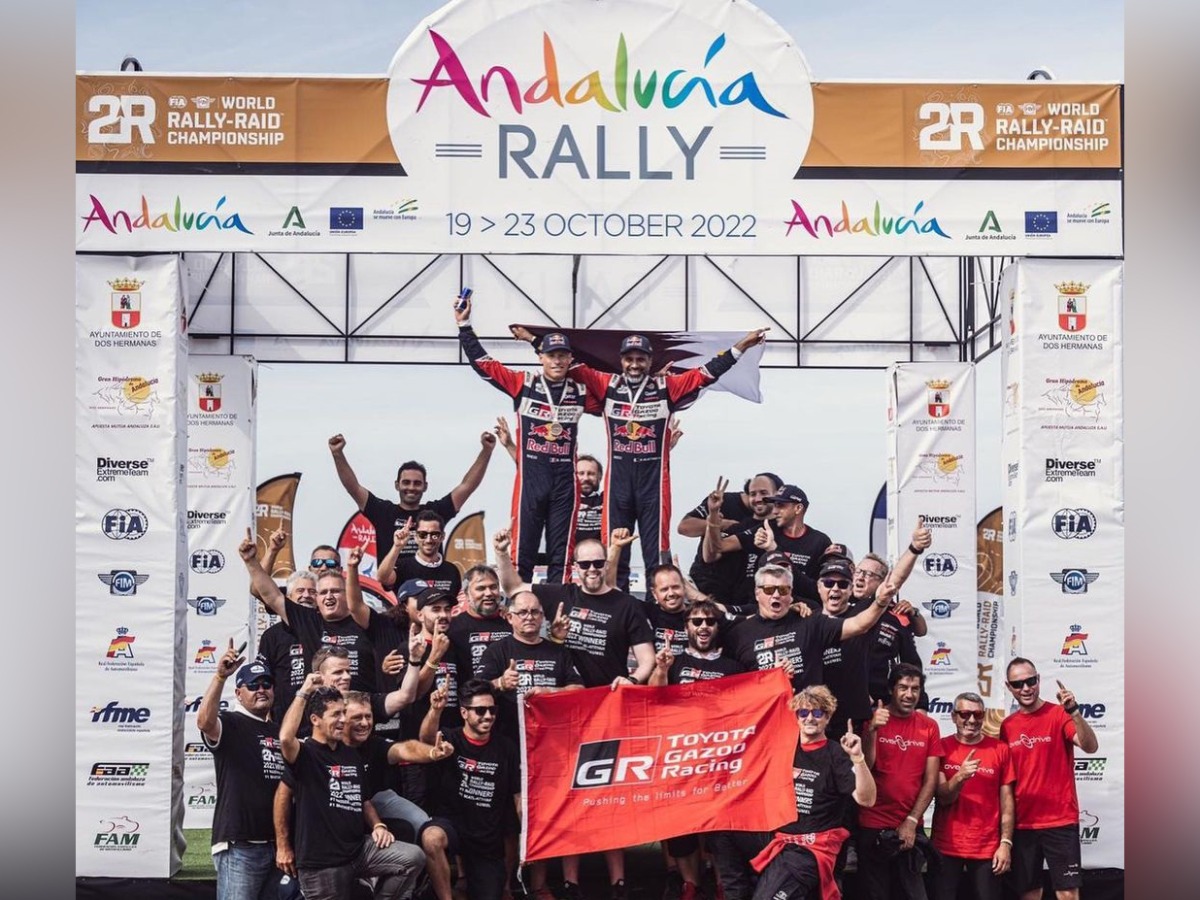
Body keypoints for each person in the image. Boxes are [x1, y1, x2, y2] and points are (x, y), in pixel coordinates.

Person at [513, 325, 769, 589]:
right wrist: (533, 340)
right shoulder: (607, 384)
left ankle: (657, 614)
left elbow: (708, 372)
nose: (634, 364)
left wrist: (743, 345)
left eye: (640, 359)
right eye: (629, 359)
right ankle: (616, 607)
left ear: (649, 361)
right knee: (615, 553)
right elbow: (570, 364)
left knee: (656, 556)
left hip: (653, 488)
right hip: (618, 488)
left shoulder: (667, 386)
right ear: (621, 361)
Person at [495, 529, 655, 899]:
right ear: (574, 568)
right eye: (586, 564)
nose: (593, 569)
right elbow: (515, 587)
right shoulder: (558, 594)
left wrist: (631, 678)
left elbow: (645, 659)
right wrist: (502, 553)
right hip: (562, 720)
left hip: (606, 713)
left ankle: (618, 882)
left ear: (606, 563)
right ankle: (570, 882)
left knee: (607, 798)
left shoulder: (626, 605)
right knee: (568, 798)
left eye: (599, 562)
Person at [458, 299, 593, 583]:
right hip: (531, 478)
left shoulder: (582, 390)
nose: (556, 361)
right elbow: (484, 365)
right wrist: (464, 325)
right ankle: (518, 614)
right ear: (540, 357)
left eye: (562, 356)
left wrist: (654, 380)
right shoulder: (524, 383)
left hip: (565, 483)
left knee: (562, 556)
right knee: (523, 554)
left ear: (570, 359)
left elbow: (622, 403)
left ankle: (560, 615)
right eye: (550, 355)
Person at [279, 672, 427, 900]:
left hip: (358, 852)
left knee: (412, 858)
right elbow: (286, 739)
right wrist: (304, 692)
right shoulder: (305, 752)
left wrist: (378, 825)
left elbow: (364, 799)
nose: (342, 720)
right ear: (315, 720)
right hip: (322, 865)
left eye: (343, 713)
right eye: (335, 714)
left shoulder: (350, 754)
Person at [743, 685, 877, 900]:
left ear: (828, 716)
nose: (810, 719)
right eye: (803, 713)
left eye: (817, 713)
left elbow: (867, 799)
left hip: (814, 851)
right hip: (782, 847)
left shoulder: (836, 754)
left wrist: (858, 758)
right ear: (796, 717)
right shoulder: (785, 748)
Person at [240, 528, 391, 692]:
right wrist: (251, 562)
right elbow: (270, 595)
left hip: (360, 710)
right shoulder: (308, 620)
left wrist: (353, 568)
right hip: (321, 711)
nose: (329, 596)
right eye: (323, 592)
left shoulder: (362, 620)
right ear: (316, 597)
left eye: (335, 591)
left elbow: (358, 604)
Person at [999, 659, 1099, 900]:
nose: (1025, 688)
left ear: (1039, 680)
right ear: (1008, 686)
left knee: (1067, 893)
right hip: (1023, 824)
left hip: (1060, 821)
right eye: (1018, 683)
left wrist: (1074, 712)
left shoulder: (1059, 714)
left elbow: (1090, 746)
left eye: (1030, 681)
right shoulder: (1007, 726)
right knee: (1029, 893)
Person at [419, 679, 523, 900]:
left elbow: (518, 796)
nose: (488, 716)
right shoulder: (451, 738)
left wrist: (530, 827)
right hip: (453, 825)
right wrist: (435, 710)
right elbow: (427, 740)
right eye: (480, 710)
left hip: (486, 839)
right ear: (464, 713)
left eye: (492, 710)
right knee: (431, 837)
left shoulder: (506, 748)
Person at [722, 564, 899, 692]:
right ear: (757, 593)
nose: (776, 595)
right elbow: (731, 686)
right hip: (766, 725)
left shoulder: (810, 622)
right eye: (769, 589)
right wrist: (770, 677)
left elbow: (859, 624)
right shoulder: (739, 633)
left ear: (791, 594)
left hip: (809, 722)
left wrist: (880, 602)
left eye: (783, 590)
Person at [197, 646, 284, 900]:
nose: (261, 689)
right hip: (240, 845)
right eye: (253, 685)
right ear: (238, 693)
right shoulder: (231, 722)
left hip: (277, 845)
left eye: (267, 684)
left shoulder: (280, 731)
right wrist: (220, 677)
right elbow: (204, 722)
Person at [329, 431, 495, 561]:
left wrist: (486, 451)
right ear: (397, 485)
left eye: (417, 483)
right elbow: (353, 488)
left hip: (430, 593)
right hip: (394, 594)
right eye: (406, 482)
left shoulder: (435, 512)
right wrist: (338, 454)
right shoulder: (383, 511)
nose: (411, 487)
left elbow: (467, 486)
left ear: (425, 486)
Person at [858, 663, 942, 900]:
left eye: (915, 689)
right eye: (903, 687)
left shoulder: (929, 727)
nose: (909, 694)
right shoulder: (874, 721)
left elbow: (931, 779)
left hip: (909, 827)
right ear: (891, 689)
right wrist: (872, 729)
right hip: (872, 825)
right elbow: (866, 765)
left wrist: (912, 821)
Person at [931, 691, 1015, 900]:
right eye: (964, 714)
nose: (971, 720)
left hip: (987, 849)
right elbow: (942, 798)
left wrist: (1005, 844)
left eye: (977, 715)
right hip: (946, 846)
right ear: (953, 716)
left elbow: (1007, 802)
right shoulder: (941, 747)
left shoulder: (1000, 749)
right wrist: (960, 776)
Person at [257, 570, 317, 722]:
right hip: (284, 719)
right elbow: (264, 676)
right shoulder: (271, 635)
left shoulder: (325, 628)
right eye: (300, 591)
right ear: (288, 598)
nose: (306, 595)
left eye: (312, 591)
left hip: (320, 718)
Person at [446, 565, 512, 682]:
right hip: (473, 697)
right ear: (466, 594)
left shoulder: (512, 622)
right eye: (480, 588)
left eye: (493, 587)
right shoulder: (453, 628)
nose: (488, 593)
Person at [377, 512, 463, 599]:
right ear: (415, 537)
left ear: (442, 536)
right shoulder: (402, 566)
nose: (428, 540)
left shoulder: (452, 570)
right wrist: (397, 547)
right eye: (423, 535)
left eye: (434, 535)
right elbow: (382, 578)